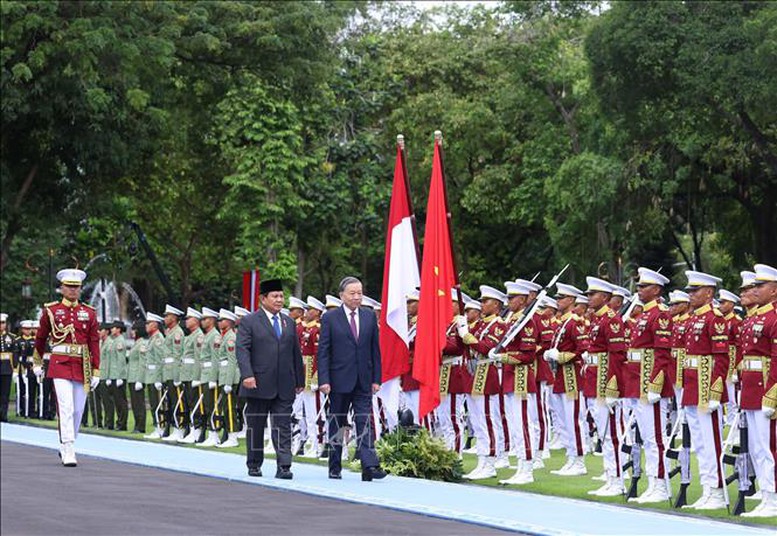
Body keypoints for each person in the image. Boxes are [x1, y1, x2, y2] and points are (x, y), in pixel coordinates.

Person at [317, 276, 385, 481]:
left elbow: (375, 350)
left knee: (364, 421)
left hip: (363, 379)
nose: (357, 297)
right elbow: (323, 352)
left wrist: (376, 378)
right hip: (338, 380)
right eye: (352, 293)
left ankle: (369, 466)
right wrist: (324, 380)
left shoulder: (369, 316)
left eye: (359, 293)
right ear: (342, 296)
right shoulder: (330, 318)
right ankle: (334, 465)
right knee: (338, 423)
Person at [236, 279, 304, 479]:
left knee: (283, 425)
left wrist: (300, 380)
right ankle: (254, 464)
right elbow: (242, 350)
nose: (279, 300)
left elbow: (295, 352)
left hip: (284, 384)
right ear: (263, 299)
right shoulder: (250, 321)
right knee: (256, 426)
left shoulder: (288, 322)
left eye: (281, 296)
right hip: (258, 383)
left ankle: (284, 466)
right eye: (275, 296)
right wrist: (247, 375)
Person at [33, 268, 100, 466]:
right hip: (60, 364)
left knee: (78, 410)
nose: (72, 290)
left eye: (76, 287)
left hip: (81, 365)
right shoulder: (51, 311)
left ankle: (67, 442)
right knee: (66, 407)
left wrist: (96, 370)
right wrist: (37, 362)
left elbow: (94, 342)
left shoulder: (89, 312)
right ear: (61, 288)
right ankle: (69, 447)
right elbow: (40, 338)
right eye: (69, 286)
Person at [0, 313, 17, 422]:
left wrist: (15, 369)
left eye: (3, 323)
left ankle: (4, 415)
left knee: (5, 394)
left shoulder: (11, 337)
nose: (1, 325)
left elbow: (14, 354)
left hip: (6, 368)